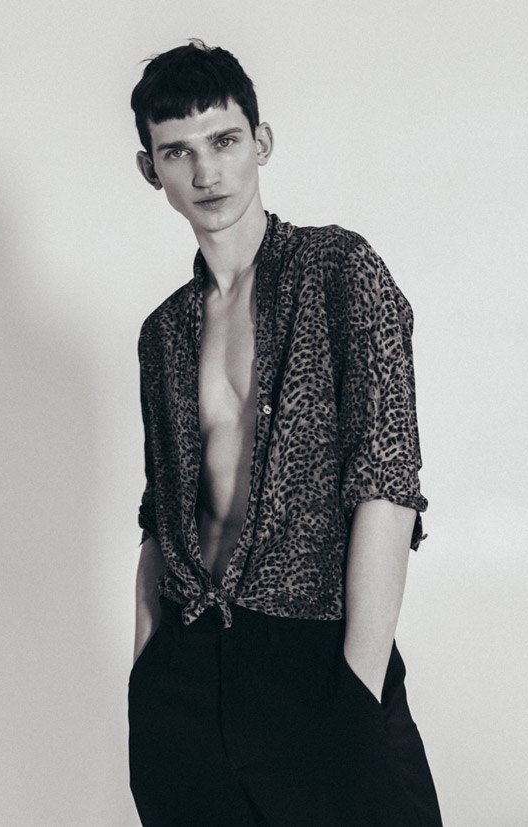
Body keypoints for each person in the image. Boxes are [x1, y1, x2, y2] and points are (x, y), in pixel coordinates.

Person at [128, 39, 442, 827]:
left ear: (261, 142)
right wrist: (145, 680)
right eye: (178, 152)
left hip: (316, 661)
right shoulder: (163, 333)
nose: (206, 172)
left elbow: (387, 481)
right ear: (150, 169)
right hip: (186, 682)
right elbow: (161, 521)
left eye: (224, 140)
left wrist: (359, 689)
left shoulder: (340, 272)